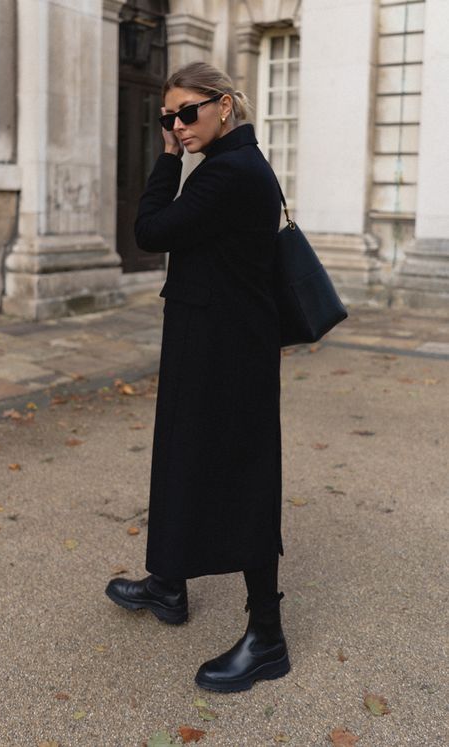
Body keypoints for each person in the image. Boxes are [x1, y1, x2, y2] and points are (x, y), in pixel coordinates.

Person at [105, 61, 290, 693]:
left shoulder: (231, 173)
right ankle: (168, 586)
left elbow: (149, 230)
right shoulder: (227, 166)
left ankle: (268, 637)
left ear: (226, 106)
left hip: (230, 352)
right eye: (168, 118)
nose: (178, 127)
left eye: (188, 113)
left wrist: (163, 160)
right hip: (205, 339)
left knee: (246, 476)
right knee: (183, 458)